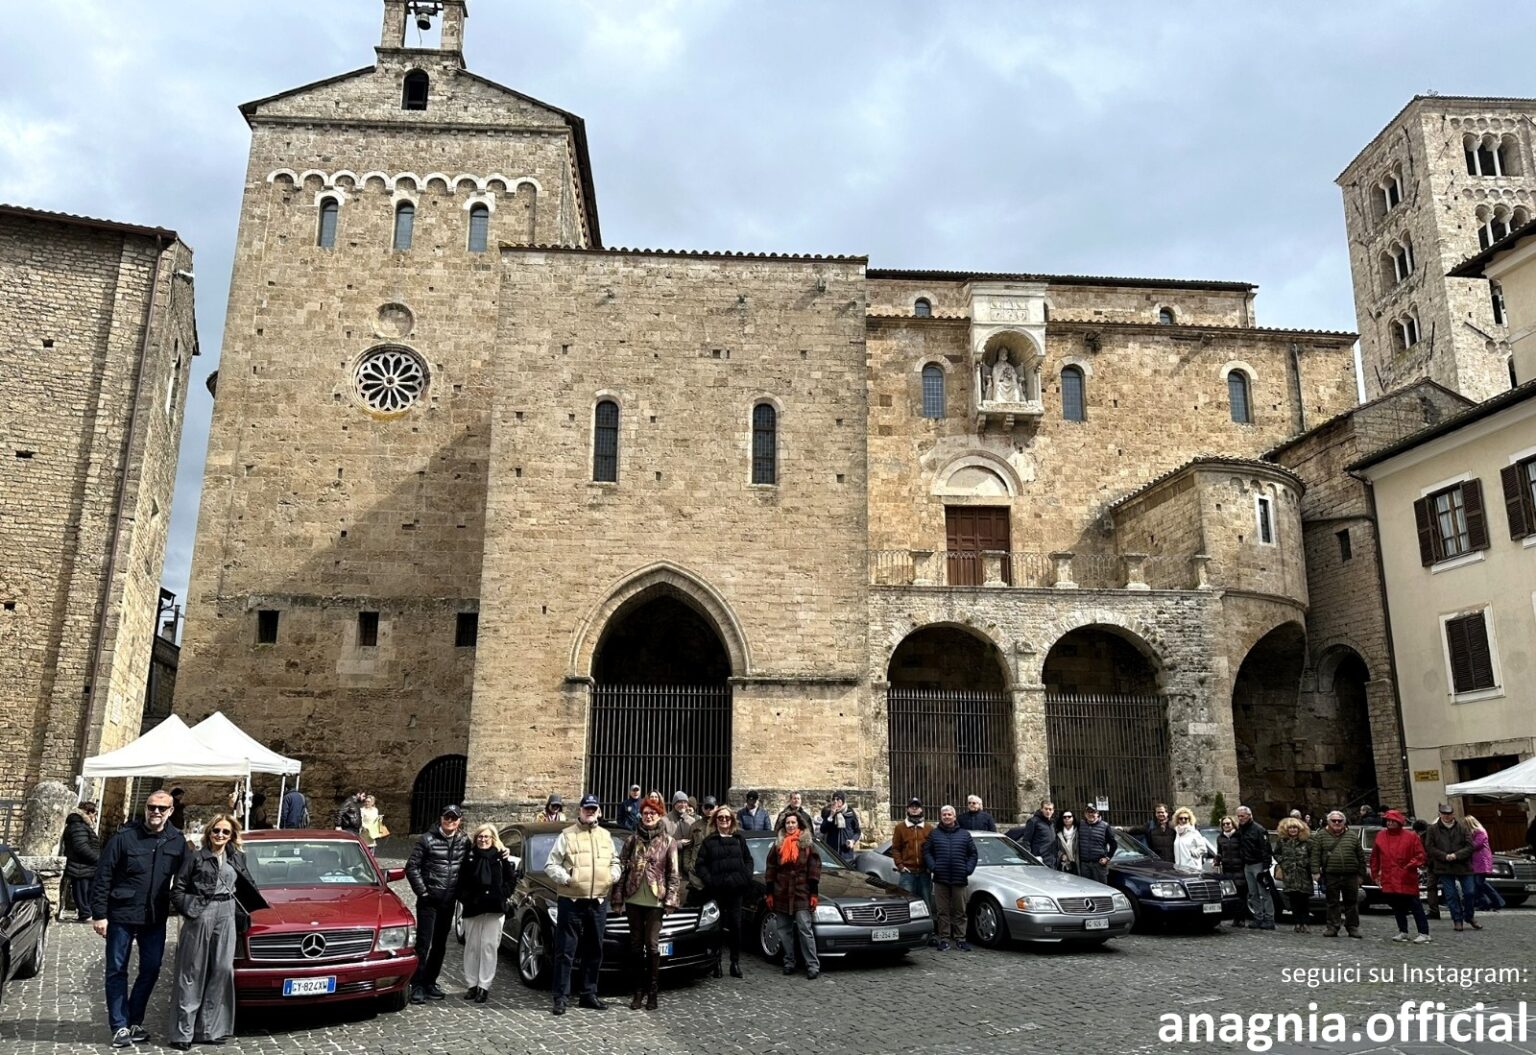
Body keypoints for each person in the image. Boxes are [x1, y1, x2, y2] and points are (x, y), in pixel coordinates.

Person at [91, 789, 189, 1049]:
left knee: (152, 968)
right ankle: (119, 1025)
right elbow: (103, 876)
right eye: (151, 807)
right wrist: (99, 915)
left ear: (170, 812)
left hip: (154, 917)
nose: (155, 812)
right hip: (121, 914)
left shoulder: (176, 841)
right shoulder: (124, 837)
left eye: (161, 808)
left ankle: (134, 1019)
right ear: (145, 808)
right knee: (116, 970)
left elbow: (188, 876)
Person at [167, 813, 267, 1050]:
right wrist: (189, 909)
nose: (220, 835)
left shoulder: (237, 858)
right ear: (209, 832)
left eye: (225, 832)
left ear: (232, 836)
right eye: (216, 831)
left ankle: (208, 1029)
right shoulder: (196, 857)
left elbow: (246, 884)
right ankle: (183, 1033)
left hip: (227, 912)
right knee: (192, 972)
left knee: (222, 969)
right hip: (201, 912)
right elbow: (178, 888)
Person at [544, 793, 619, 1015]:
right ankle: (561, 997)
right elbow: (551, 864)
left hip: (597, 901)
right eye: (587, 809)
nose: (590, 812)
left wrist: (612, 876)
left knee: (594, 949)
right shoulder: (566, 835)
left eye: (593, 809)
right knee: (565, 951)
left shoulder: (606, 836)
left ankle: (588, 993)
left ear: (599, 812)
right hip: (572, 900)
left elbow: (615, 861)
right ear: (580, 810)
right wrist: (567, 879)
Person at [612, 794, 680, 1010]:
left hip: (655, 899)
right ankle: (637, 991)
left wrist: (670, 899)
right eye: (645, 813)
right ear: (640, 816)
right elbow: (621, 869)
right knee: (635, 946)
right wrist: (618, 898)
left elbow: (674, 873)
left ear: (660, 815)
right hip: (634, 897)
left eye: (653, 813)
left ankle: (652, 991)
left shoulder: (668, 842)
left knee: (651, 946)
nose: (648, 816)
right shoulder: (632, 840)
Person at [405, 803, 469, 1003]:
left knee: (440, 945)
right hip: (429, 901)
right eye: (447, 817)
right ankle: (417, 984)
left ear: (459, 820)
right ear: (441, 818)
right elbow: (412, 867)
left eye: (454, 817)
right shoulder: (427, 839)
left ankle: (430, 981)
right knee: (423, 944)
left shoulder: (464, 841)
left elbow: (476, 859)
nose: (450, 821)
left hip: (448, 901)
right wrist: (423, 893)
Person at [457, 823, 516, 1003]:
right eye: (480, 837)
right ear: (476, 839)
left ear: (493, 839)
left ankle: (484, 986)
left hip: (494, 908)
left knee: (489, 947)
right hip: (473, 906)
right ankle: (472, 984)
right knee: (472, 947)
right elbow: (461, 881)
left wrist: (502, 893)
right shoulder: (469, 857)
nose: (483, 840)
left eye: (487, 837)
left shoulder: (501, 857)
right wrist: (466, 898)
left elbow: (510, 878)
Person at [694, 802, 754, 978]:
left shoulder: (739, 839)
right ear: (715, 820)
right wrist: (711, 881)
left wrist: (745, 877)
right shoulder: (709, 841)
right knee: (716, 928)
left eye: (727, 818)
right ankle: (716, 963)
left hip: (736, 890)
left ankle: (735, 963)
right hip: (717, 889)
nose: (724, 820)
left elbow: (748, 860)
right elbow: (700, 865)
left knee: (736, 926)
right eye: (720, 818)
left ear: (732, 820)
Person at [765, 811, 823, 977]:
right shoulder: (777, 845)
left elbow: (814, 869)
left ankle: (812, 965)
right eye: (788, 823)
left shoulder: (807, 845)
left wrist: (813, 893)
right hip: (781, 892)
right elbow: (771, 869)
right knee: (784, 930)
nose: (790, 826)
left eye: (793, 823)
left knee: (805, 929)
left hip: (801, 892)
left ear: (799, 825)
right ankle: (789, 961)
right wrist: (769, 892)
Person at [1369, 809, 1430, 944]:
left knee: (1415, 904)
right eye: (1388, 821)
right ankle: (1403, 931)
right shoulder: (1381, 836)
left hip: (1406, 876)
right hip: (1389, 876)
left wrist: (1409, 866)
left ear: (1399, 822)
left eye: (1392, 821)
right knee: (1397, 905)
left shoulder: (1411, 836)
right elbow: (1375, 857)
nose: (1390, 823)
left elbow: (1420, 855)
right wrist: (1375, 873)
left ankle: (1424, 932)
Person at [923, 805, 978, 951]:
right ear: (941, 817)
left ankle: (960, 939)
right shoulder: (934, 834)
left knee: (960, 911)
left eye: (949, 814)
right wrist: (933, 866)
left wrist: (968, 869)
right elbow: (927, 852)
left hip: (960, 878)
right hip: (941, 878)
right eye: (944, 814)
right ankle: (945, 939)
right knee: (943, 911)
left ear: (954, 817)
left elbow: (973, 854)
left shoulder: (964, 834)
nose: (947, 817)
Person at [1310, 810, 1368, 938]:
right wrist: (1315, 871)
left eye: (1339, 821)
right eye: (1334, 821)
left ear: (1344, 822)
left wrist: (1361, 875)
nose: (1337, 823)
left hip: (1350, 874)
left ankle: (1352, 927)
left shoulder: (1352, 836)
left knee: (1352, 902)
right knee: (1332, 902)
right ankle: (1333, 927)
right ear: (1329, 822)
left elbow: (1361, 856)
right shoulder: (1321, 836)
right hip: (1331, 874)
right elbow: (1315, 855)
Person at [1423, 804, 1476, 931]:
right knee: (1451, 895)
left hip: (1463, 865)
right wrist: (1444, 856)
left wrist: (1456, 855)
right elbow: (1429, 847)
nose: (1446, 817)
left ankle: (1469, 916)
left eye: (1449, 814)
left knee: (1469, 892)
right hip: (1444, 866)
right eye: (1444, 814)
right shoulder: (1433, 829)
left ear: (1453, 815)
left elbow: (1470, 846)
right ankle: (1457, 920)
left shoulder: (1462, 828)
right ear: (1440, 815)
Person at [1235, 805, 1276, 931]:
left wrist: (1265, 867)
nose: (1240, 818)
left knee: (1264, 892)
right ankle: (1258, 917)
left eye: (1242, 816)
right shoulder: (1241, 829)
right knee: (1253, 893)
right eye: (1238, 816)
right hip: (1247, 864)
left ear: (1249, 815)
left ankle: (1269, 919)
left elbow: (1265, 849)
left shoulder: (1258, 829)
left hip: (1258, 864)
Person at [61, 801, 100, 922]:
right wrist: (98, 859)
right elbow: (81, 847)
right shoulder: (78, 826)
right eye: (94, 814)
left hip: (84, 866)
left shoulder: (81, 825)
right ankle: (85, 913)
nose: (95, 817)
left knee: (85, 891)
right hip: (80, 866)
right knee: (82, 891)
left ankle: (87, 912)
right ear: (88, 812)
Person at [891, 797, 934, 907]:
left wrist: (931, 866)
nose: (914, 809)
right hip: (907, 873)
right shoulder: (900, 828)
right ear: (907, 809)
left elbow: (933, 849)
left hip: (924, 873)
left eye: (917, 807)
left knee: (926, 902)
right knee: (906, 902)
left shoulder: (928, 828)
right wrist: (900, 865)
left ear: (921, 809)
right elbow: (896, 848)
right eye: (912, 807)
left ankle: (926, 924)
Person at [1272, 816, 1313, 933]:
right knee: (1293, 900)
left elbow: (1313, 855)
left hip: (1303, 874)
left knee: (1304, 899)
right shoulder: (1282, 841)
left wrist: (1306, 863)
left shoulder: (1307, 841)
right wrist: (1284, 862)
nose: (1293, 830)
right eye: (1290, 828)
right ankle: (1297, 922)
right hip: (1289, 874)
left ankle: (1305, 922)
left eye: (1295, 827)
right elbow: (1276, 854)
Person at [1465, 816, 1506, 913]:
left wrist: (1466, 844)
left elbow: (1476, 845)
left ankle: (1497, 901)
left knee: (1480, 883)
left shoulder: (1480, 832)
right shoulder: (1474, 833)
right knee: (1478, 884)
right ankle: (1484, 904)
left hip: (1481, 860)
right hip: (1476, 861)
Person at [1006, 800, 1057, 870]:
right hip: (1039, 859)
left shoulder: (1052, 823)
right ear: (1041, 809)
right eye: (1046, 809)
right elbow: (1026, 840)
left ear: (1053, 811)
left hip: (1051, 860)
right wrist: (1031, 858)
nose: (1048, 811)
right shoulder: (1034, 821)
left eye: (1050, 809)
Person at [1216, 816, 1246, 924]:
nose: (1226, 826)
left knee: (1241, 894)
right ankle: (1235, 918)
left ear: (1232, 824)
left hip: (1239, 868)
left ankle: (1241, 918)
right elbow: (1219, 852)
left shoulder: (1239, 836)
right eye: (1224, 824)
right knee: (1231, 894)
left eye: (1228, 823)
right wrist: (1217, 860)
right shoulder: (1220, 838)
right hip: (1227, 869)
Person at [1077, 804, 1116, 884]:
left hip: (1099, 865)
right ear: (1085, 814)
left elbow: (1114, 844)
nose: (1091, 814)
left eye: (1093, 812)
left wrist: (1107, 858)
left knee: (1102, 889)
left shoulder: (1105, 826)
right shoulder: (1080, 825)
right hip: (1084, 865)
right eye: (1088, 812)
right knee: (1086, 889)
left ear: (1098, 814)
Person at [819, 791, 862, 861]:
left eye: (838, 799)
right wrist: (831, 816)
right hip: (832, 854)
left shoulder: (850, 814)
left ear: (843, 801)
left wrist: (852, 841)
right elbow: (823, 830)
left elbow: (857, 832)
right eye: (833, 799)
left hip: (846, 854)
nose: (835, 802)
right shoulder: (828, 813)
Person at [1171, 807, 1211, 874]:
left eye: (1186, 818)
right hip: (1179, 868)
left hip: (1192, 868)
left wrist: (1194, 854)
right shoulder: (1177, 833)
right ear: (1177, 820)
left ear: (1190, 819)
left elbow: (1203, 849)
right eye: (1181, 818)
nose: (1183, 820)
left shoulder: (1194, 832)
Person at [1056, 809, 1079, 874]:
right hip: (1064, 864)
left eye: (1069, 817)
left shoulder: (1078, 831)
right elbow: (1055, 847)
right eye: (1064, 817)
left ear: (1073, 818)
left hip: (1077, 863)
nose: (1067, 819)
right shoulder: (1058, 832)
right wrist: (1061, 855)